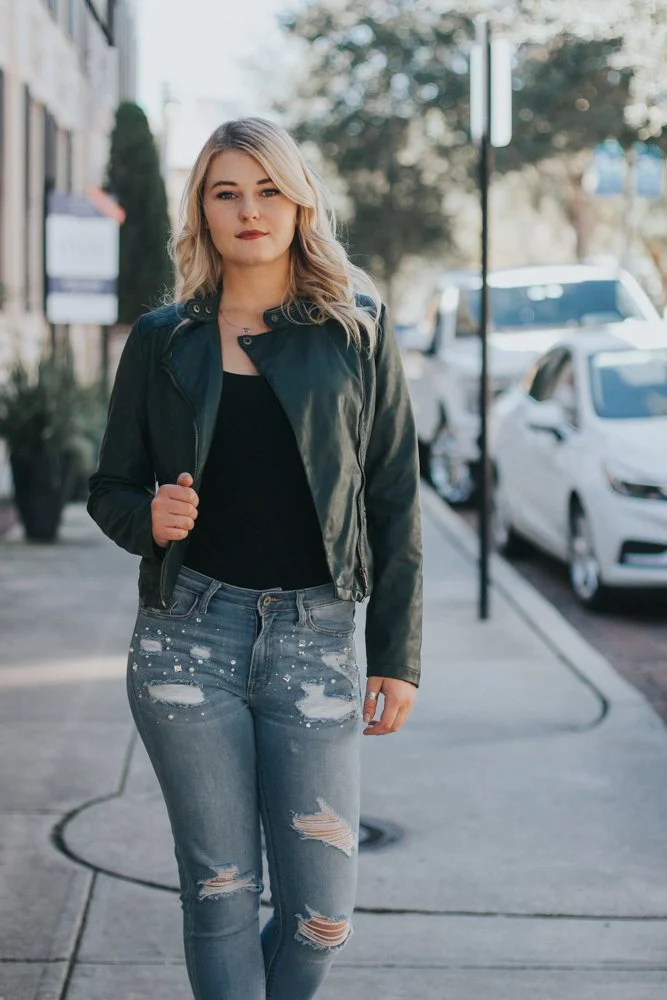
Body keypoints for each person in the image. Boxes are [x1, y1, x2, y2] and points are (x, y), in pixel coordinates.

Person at [88, 116, 422, 1000]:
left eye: (268, 189)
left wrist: (396, 654)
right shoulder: (163, 339)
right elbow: (109, 486)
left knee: (321, 919)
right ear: (201, 209)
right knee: (221, 892)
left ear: (299, 201)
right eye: (226, 192)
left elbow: (393, 497)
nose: (249, 210)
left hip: (315, 636)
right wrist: (149, 518)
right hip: (187, 638)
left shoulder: (355, 330)